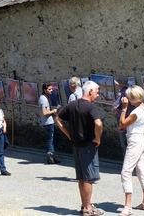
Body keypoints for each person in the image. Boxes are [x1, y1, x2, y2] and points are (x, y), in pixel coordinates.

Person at [55, 81, 104, 216]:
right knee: (89, 178)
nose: (98, 95)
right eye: (97, 92)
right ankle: (87, 208)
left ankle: (85, 205)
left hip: (76, 145)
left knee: (82, 177)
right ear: (90, 91)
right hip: (88, 145)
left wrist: (69, 134)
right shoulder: (91, 107)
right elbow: (98, 123)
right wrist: (98, 138)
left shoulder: (72, 105)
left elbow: (58, 119)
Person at [119, 85, 144, 216]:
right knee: (141, 170)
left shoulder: (136, 112)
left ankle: (128, 206)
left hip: (135, 140)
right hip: (142, 138)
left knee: (126, 172)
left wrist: (124, 108)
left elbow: (122, 123)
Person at [112, 75, 135, 157]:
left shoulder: (121, 94)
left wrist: (119, 109)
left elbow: (114, 107)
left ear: (120, 85)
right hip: (131, 119)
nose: (117, 85)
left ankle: (127, 159)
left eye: (118, 84)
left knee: (124, 141)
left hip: (123, 119)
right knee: (131, 141)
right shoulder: (131, 93)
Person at [39, 82, 60, 164]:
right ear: (45, 90)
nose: (51, 90)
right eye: (49, 89)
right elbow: (44, 112)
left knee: (55, 138)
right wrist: (54, 111)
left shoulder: (46, 97)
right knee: (50, 139)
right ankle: (50, 154)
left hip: (50, 121)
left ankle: (50, 155)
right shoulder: (43, 99)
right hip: (47, 123)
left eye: (52, 89)